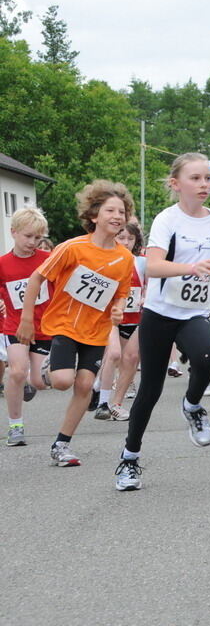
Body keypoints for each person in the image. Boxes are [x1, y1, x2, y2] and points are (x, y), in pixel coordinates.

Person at [114, 152, 210, 492]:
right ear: (176, 184)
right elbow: (153, 266)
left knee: (207, 357)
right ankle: (130, 458)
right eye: (196, 178)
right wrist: (191, 269)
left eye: (208, 177)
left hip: (193, 310)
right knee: (150, 390)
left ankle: (193, 406)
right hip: (160, 311)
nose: (204, 184)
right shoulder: (168, 219)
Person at [17, 181, 136, 467]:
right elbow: (37, 278)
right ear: (94, 215)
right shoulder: (72, 248)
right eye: (110, 210)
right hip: (64, 324)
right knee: (62, 382)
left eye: (121, 211)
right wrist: (26, 318)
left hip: (95, 332)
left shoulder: (125, 258)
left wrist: (118, 310)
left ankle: (62, 445)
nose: (117, 216)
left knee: (84, 386)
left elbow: (121, 294)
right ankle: (50, 369)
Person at [1, 208, 52, 447]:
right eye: (28, 236)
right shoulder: (3, 264)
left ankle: (30, 383)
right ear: (14, 232)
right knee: (17, 371)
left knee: (40, 381)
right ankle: (16, 426)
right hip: (15, 327)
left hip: (44, 328)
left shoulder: (47, 259)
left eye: (37, 238)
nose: (32, 242)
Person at [94, 222, 145, 421]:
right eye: (121, 237)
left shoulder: (141, 262)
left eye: (130, 239)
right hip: (110, 318)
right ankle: (102, 401)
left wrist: (145, 296)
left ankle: (116, 403)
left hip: (135, 318)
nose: (125, 242)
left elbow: (151, 283)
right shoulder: (104, 259)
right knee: (113, 355)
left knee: (131, 359)